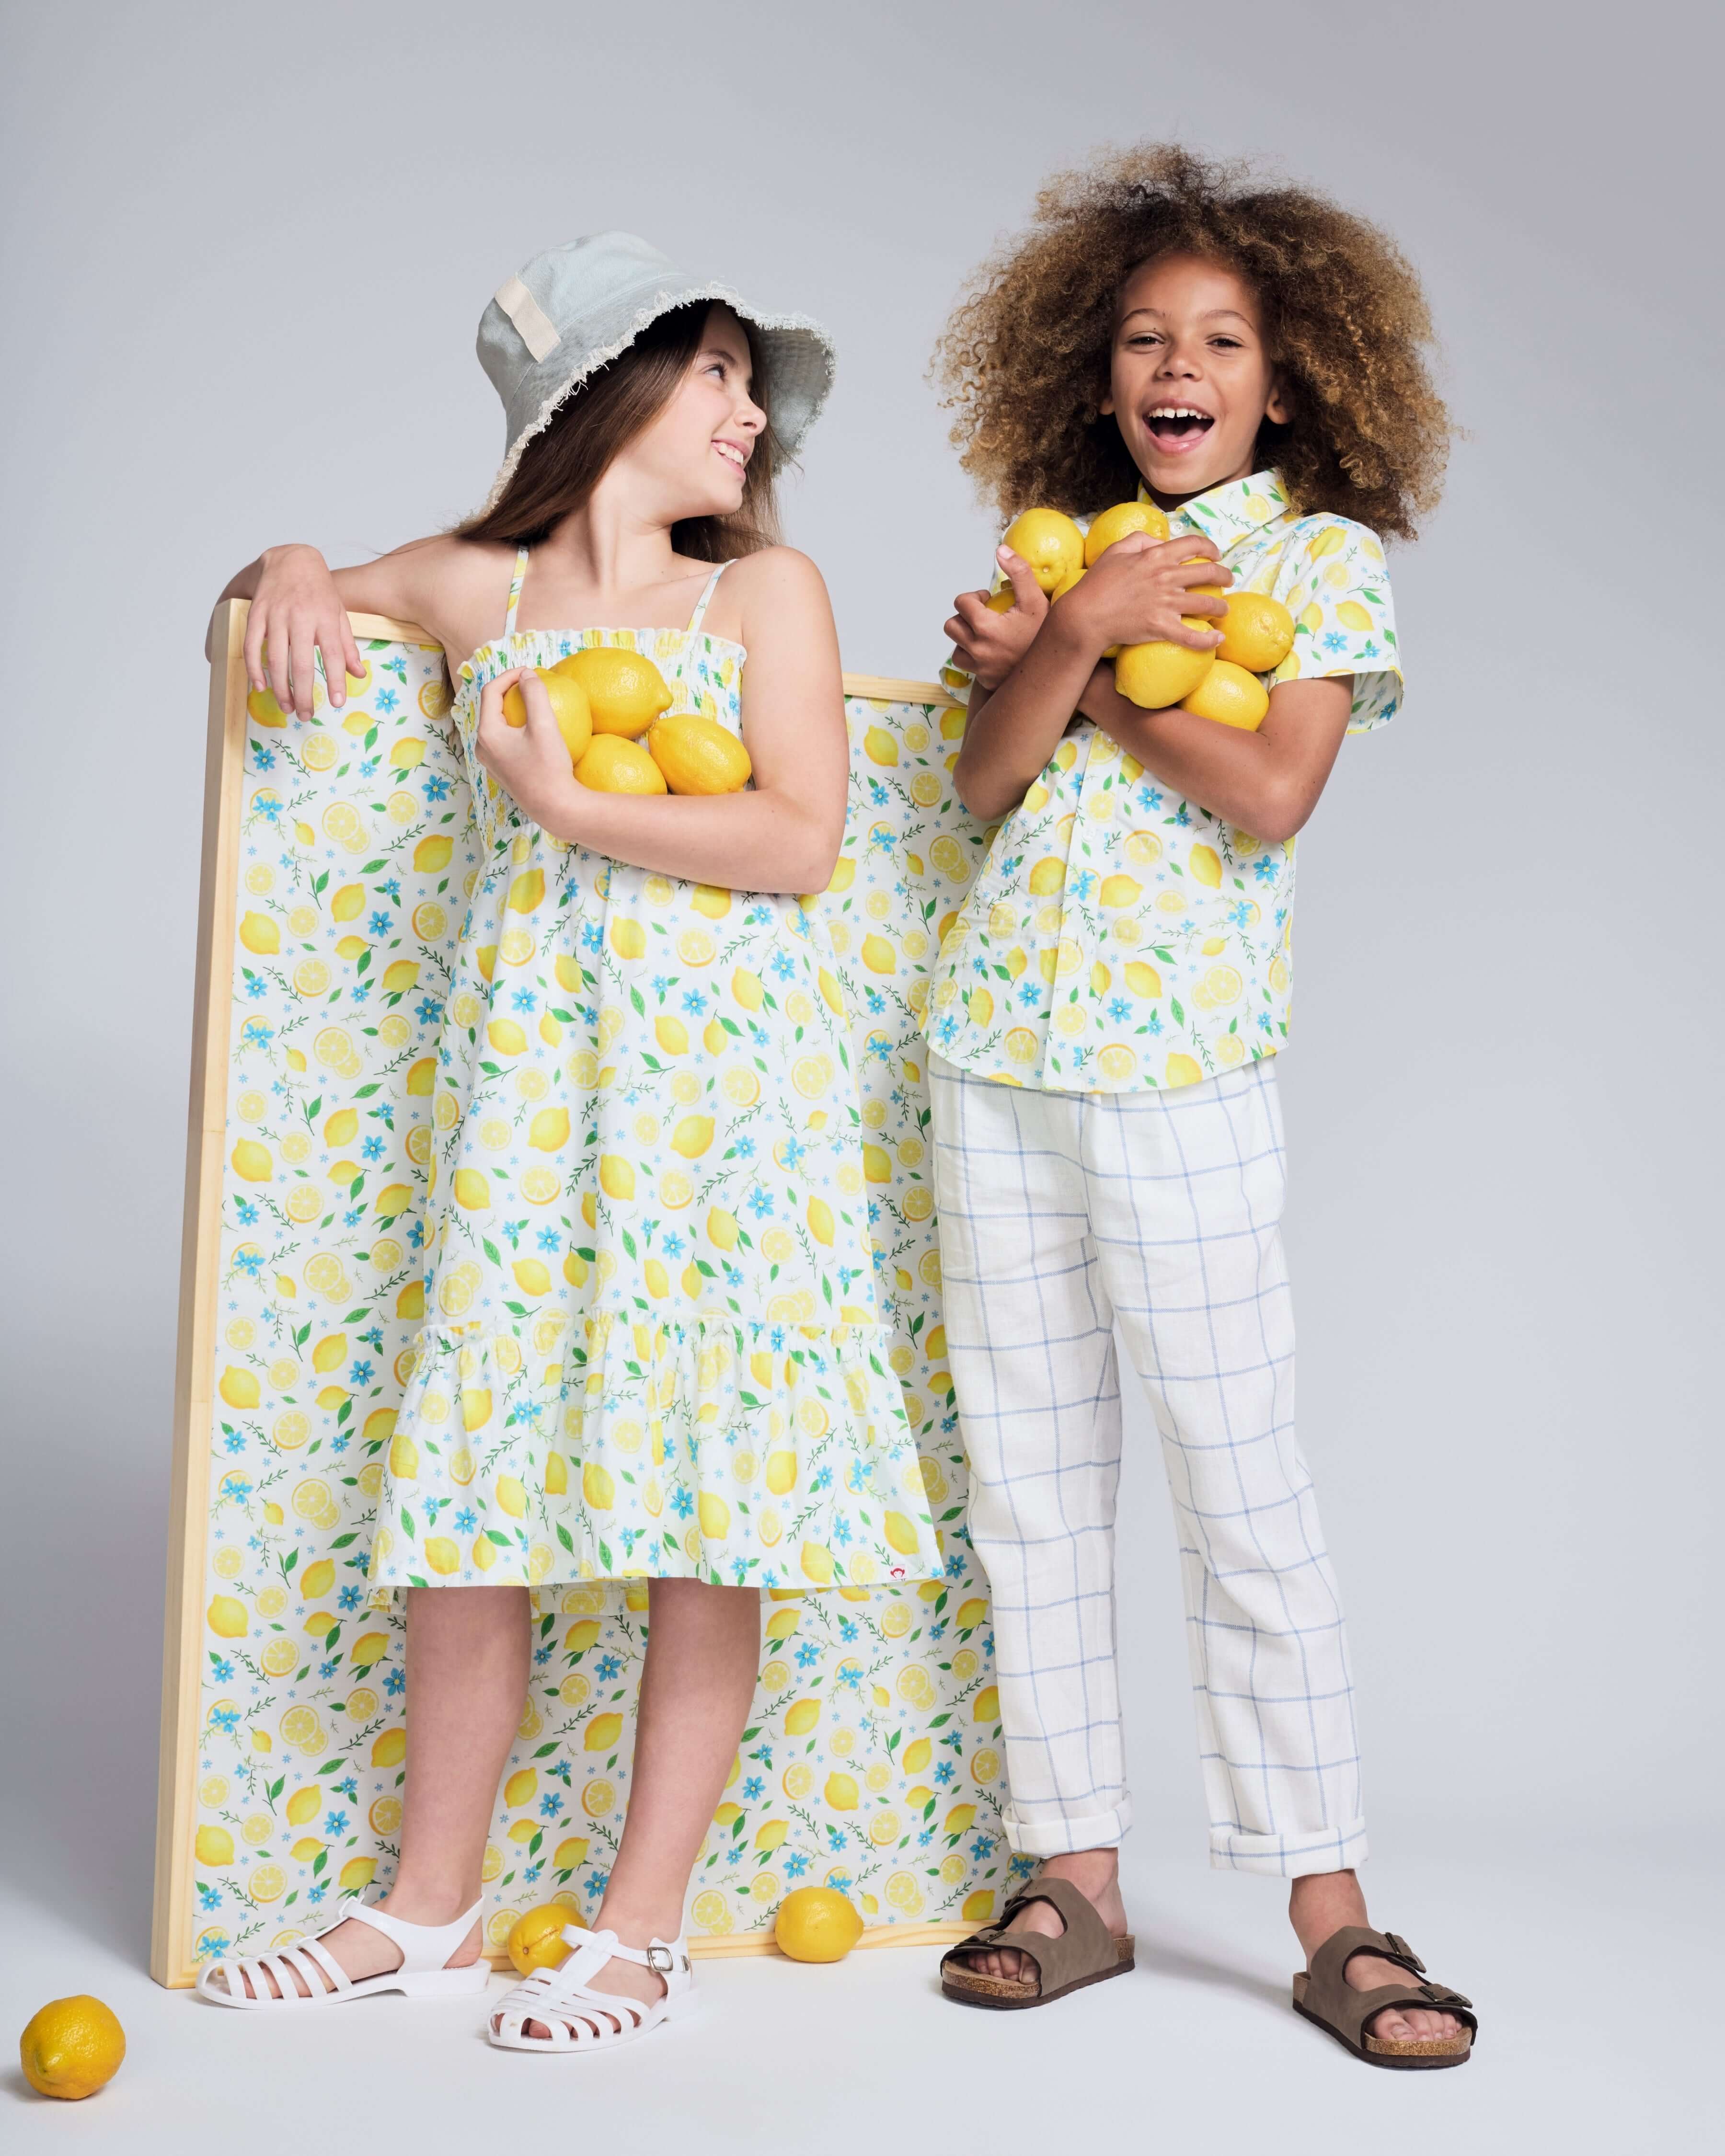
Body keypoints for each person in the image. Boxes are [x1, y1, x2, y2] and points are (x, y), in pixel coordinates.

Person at [195, 232, 939, 2052]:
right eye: (716, 375)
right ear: (604, 394)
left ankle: (644, 1927)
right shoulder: (486, 591)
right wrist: (287, 561)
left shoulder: (765, 596)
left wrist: (560, 796)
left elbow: (798, 837)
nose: (751, 415)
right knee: (477, 1482)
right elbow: (298, 587)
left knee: (715, 1502)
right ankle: (424, 1907)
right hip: (535, 1097)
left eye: (754, 385)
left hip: (728, 1118)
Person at [923, 147, 1477, 2068]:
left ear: (1286, 376)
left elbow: (1270, 794)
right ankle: (1074, 1879)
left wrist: (1079, 671)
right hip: (996, 1059)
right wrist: (1070, 634)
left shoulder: (1319, 560)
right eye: (1147, 337)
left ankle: (1331, 1911)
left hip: (1183, 1077)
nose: (1181, 364)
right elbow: (982, 789)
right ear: (1097, 373)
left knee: (1245, 1494)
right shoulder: (1054, 557)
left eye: (1222, 339)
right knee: (1031, 1489)